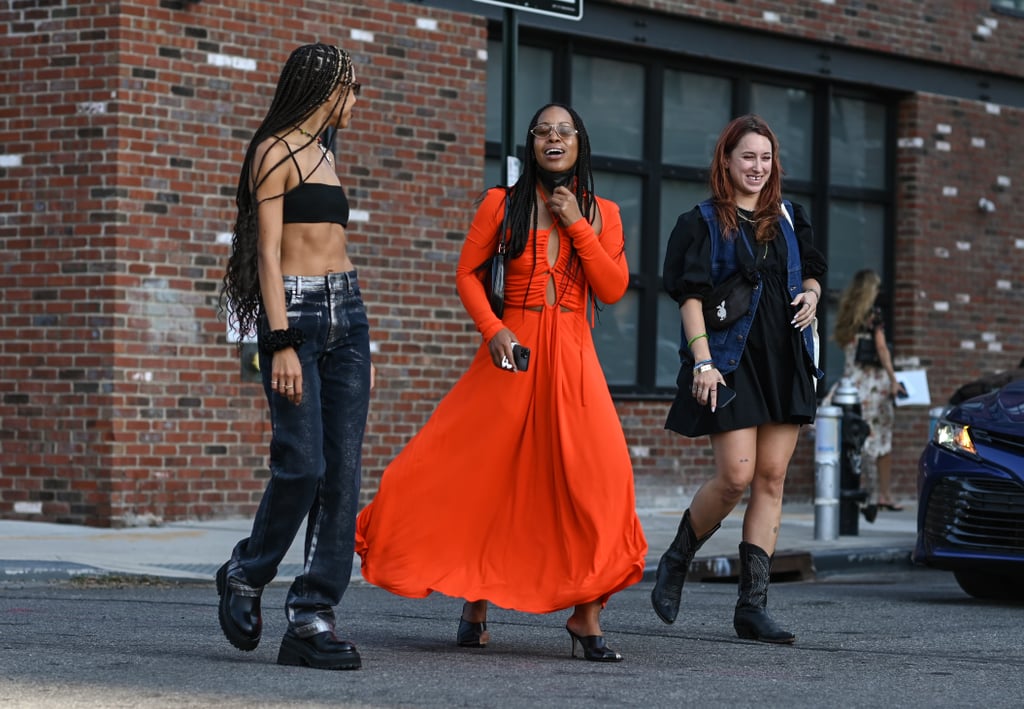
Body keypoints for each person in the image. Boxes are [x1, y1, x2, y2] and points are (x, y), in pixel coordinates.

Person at [355, 103, 647, 662]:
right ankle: (475, 598)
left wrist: (576, 223)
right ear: (531, 143)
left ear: (580, 142)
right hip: (513, 353)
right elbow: (466, 274)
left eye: (565, 131)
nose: (554, 138)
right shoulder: (501, 203)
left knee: (604, 479)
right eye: (544, 131)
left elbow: (611, 289)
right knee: (475, 473)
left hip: (574, 358)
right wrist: (493, 330)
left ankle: (586, 614)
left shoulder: (603, 212)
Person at [217, 43, 371, 671]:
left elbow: (332, 242)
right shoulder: (273, 150)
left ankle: (312, 616)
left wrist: (355, 334)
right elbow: (268, 254)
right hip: (296, 319)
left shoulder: (327, 154)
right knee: (302, 465)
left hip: (348, 318)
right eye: (350, 88)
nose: (355, 100)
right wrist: (277, 341)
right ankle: (247, 573)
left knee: (343, 475)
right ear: (325, 87)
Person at [655, 114, 826, 644]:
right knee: (736, 475)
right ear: (726, 161)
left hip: (785, 359)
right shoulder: (701, 222)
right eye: (747, 156)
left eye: (766, 158)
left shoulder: (792, 218)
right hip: (730, 361)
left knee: (772, 478)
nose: (757, 167)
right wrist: (702, 362)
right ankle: (678, 557)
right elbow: (689, 297)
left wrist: (814, 296)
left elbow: (816, 268)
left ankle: (752, 607)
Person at [834, 269, 904, 516]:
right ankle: (880, 495)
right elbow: (882, 349)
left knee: (856, 442)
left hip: (851, 384)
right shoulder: (873, 316)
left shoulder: (847, 316)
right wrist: (894, 379)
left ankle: (861, 493)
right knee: (881, 441)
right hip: (874, 385)